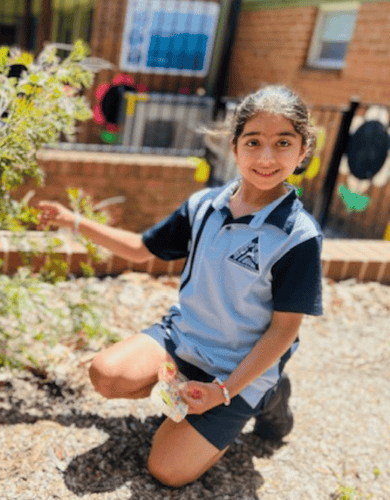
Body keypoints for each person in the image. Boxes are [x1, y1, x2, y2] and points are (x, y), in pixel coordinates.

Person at [38, 85, 323, 487]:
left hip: (236, 368)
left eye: (283, 143)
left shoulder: (297, 236)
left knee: (166, 471)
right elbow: (140, 249)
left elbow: (284, 329)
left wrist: (223, 392)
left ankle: (266, 393)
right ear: (235, 145)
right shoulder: (204, 205)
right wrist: (73, 222)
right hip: (183, 340)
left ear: (303, 150)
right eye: (253, 141)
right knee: (106, 374)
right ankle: (194, 391)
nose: (265, 157)